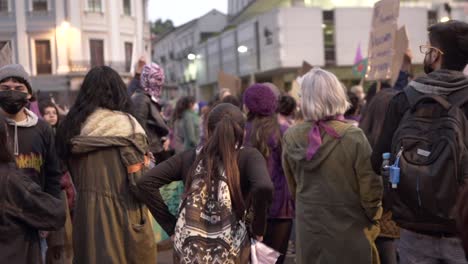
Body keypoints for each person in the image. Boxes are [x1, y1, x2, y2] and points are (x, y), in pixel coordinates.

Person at [371, 20, 468, 264]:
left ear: (436, 54)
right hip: (463, 229)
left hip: (414, 228)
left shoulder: (404, 99)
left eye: (427, 49)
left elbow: (377, 161)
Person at [134, 103, 274, 263]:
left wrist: (171, 225)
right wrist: (258, 227)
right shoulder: (249, 157)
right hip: (232, 249)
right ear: (243, 131)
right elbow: (264, 186)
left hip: (190, 250)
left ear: (208, 131)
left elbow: (145, 182)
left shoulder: (189, 158)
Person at [56, 66, 156, 263]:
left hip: (85, 220)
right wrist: (149, 164)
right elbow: (140, 183)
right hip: (125, 220)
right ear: (119, 92)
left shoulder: (72, 128)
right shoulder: (128, 127)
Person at [282, 68, 383, 264]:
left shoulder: (291, 136)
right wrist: (374, 218)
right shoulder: (353, 137)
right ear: (336, 94)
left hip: (310, 231)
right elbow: (371, 189)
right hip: (350, 231)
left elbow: (293, 186)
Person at [0, 115, 65, 264]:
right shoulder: (11, 179)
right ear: (4, 139)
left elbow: (53, 173)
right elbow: (54, 213)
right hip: (15, 251)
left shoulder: (43, 130)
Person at [243, 83, 294, 264]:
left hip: (247, 208)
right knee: (275, 260)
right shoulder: (284, 133)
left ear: (247, 106)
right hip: (280, 210)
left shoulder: (240, 132)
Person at [131, 62, 170, 164]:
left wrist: (163, 137)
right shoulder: (141, 99)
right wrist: (145, 152)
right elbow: (139, 130)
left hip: (155, 151)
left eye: (160, 79)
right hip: (149, 154)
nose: (159, 82)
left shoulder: (149, 98)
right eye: (156, 78)